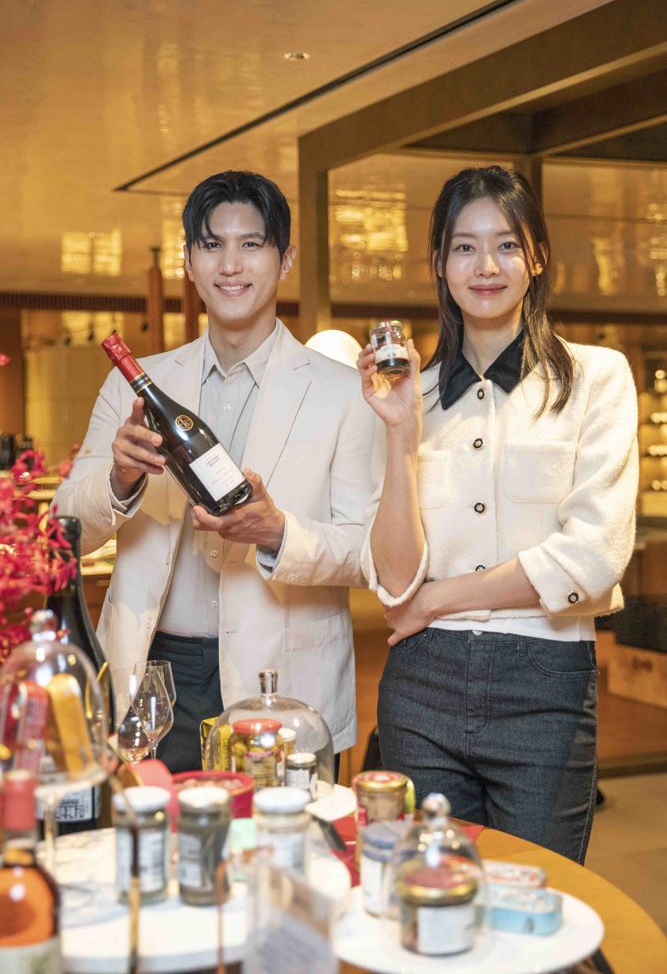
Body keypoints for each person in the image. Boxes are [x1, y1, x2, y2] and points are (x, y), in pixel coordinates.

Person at [357, 166, 638, 863]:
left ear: (536, 256)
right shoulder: (408, 394)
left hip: (546, 679)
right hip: (421, 685)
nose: (486, 266)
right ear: (439, 263)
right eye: (464, 247)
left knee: (535, 893)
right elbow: (394, 580)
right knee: (426, 896)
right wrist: (401, 431)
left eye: (507, 245)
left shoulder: (596, 378)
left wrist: (439, 598)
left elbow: (594, 557)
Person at [54, 170, 373, 772]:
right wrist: (119, 481)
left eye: (251, 244)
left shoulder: (344, 393)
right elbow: (63, 530)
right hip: (151, 676)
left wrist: (279, 533)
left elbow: (369, 552)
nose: (230, 264)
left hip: (283, 682)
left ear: (285, 260)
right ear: (189, 262)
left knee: (277, 835)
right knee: (149, 829)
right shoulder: (135, 385)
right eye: (211, 245)